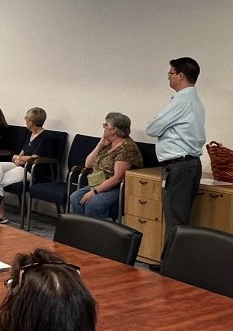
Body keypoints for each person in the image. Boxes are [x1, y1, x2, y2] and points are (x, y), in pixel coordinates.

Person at [148, 56, 207, 243]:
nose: (168, 76)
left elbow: (153, 128)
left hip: (179, 166)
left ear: (181, 75)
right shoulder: (192, 100)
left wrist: (157, 125)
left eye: (171, 73)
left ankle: (171, 268)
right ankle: (169, 261)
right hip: (187, 165)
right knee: (176, 217)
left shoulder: (182, 102)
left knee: (176, 220)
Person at [0, 106, 54, 223]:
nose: (25, 120)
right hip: (20, 165)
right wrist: (19, 158)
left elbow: (34, 158)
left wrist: (19, 158)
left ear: (33, 122)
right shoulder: (29, 133)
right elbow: (22, 153)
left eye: (27, 118)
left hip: (32, 170)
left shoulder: (46, 137)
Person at [76, 112, 142, 222]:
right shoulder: (108, 144)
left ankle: (96, 234)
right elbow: (88, 164)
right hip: (98, 183)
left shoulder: (127, 148)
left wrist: (94, 192)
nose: (103, 127)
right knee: (75, 197)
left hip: (115, 188)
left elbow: (117, 178)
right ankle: (82, 229)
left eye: (105, 125)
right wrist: (100, 145)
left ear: (114, 129)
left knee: (93, 203)